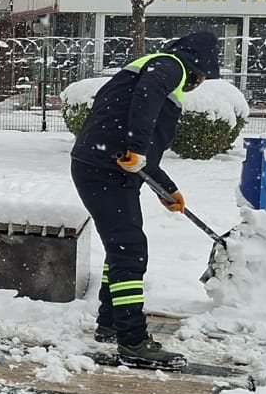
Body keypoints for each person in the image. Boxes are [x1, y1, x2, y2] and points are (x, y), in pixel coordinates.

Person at [70, 31, 222, 369]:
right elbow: (146, 100)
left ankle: (111, 321)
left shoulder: (158, 66)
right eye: (204, 75)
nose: (200, 82)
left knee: (123, 246)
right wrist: (137, 148)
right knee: (129, 251)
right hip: (104, 169)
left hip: (106, 166)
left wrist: (167, 189)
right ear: (198, 64)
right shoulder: (170, 66)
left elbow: (143, 149)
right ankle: (133, 340)